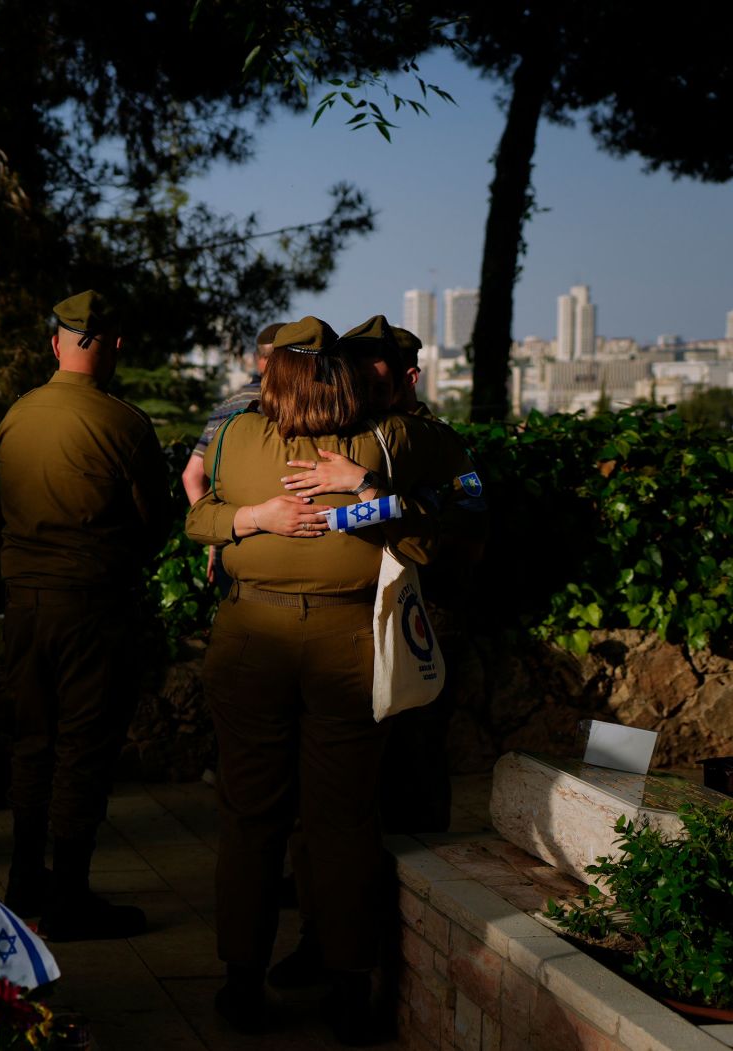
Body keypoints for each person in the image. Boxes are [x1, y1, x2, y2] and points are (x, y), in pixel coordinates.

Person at [184, 316, 466, 1044]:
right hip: (350, 643)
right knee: (344, 821)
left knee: (250, 819)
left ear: (271, 374)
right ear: (339, 373)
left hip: (252, 639)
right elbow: (445, 497)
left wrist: (249, 518)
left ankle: (242, 984)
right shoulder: (384, 442)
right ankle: (348, 988)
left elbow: (198, 516)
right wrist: (366, 489)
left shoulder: (236, 436)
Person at [262, 314, 489, 995]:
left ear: (408, 379)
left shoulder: (427, 443)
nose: (364, 386)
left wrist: (373, 486)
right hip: (345, 643)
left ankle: (415, 947)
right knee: (329, 808)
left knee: (410, 797)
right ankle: (324, 940)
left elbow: (467, 525)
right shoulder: (335, 435)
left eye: (378, 376)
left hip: (416, 634)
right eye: (356, 374)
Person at [0, 290, 171, 941]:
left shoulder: (17, 415)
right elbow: (155, 522)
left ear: (54, 342)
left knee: (33, 741)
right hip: (90, 607)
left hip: (24, 605)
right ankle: (68, 893)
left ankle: (21, 877)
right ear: (115, 345)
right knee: (83, 748)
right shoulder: (123, 423)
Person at [181, 321, 287, 504]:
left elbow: (191, 476)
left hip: (232, 521)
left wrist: (209, 523)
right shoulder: (284, 402)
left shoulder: (226, 405)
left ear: (256, 357)